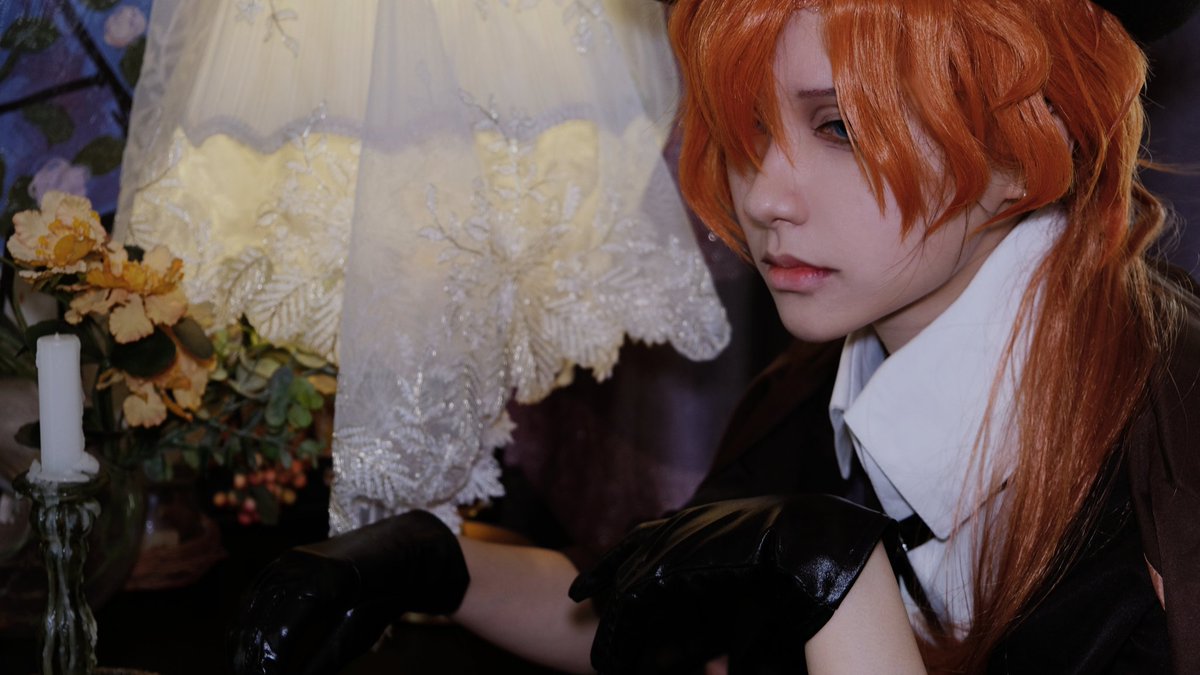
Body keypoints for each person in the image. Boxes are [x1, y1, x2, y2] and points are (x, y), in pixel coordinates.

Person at [229, 0, 1200, 673]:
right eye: (747, 127)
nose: (764, 194)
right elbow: (649, 602)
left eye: (840, 128)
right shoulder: (826, 378)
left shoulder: (1167, 446)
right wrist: (432, 561)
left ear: (1027, 146)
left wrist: (838, 581)